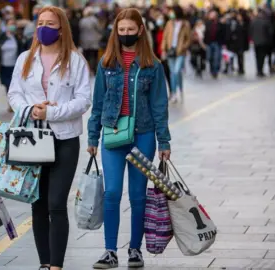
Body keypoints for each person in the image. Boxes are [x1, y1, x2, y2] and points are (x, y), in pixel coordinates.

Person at [8, 6, 91, 270]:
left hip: (64, 138)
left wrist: (52, 112)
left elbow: (83, 100)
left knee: (56, 203)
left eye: (50, 23)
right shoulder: (25, 58)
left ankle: (56, 265)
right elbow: (14, 94)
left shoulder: (75, 60)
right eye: (40, 22)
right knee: (38, 202)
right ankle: (45, 263)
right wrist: (30, 109)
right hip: (32, 137)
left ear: (61, 28)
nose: (43, 27)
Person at [87, 8, 171, 269]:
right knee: (111, 193)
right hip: (112, 134)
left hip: (142, 135)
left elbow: (159, 105)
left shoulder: (152, 65)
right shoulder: (106, 63)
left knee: (137, 196)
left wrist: (164, 141)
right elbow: (97, 102)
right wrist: (92, 136)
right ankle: (109, 251)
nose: (125, 34)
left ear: (140, 30)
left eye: (129, 30)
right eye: (120, 30)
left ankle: (135, 250)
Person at [161, 5, 191, 103]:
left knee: (177, 71)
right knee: (173, 73)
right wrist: (163, 49)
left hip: (180, 52)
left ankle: (180, 89)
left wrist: (183, 47)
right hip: (170, 51)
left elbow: (188, 38)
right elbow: (165, 37)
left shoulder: (185, 24)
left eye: (172, 12)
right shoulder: (169, 23)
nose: (171, 13)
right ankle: (174, 93)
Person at [0, 18, 23, 112]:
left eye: (14, 24)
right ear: (6, 26)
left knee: (13, 85)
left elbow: (22, 49)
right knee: (7, 85)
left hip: (15, 66)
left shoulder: (18, 37)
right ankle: (10, 103)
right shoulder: (1, 36)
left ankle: (14, 104)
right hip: (3, 66)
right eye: (10, 24)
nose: (12, 26)